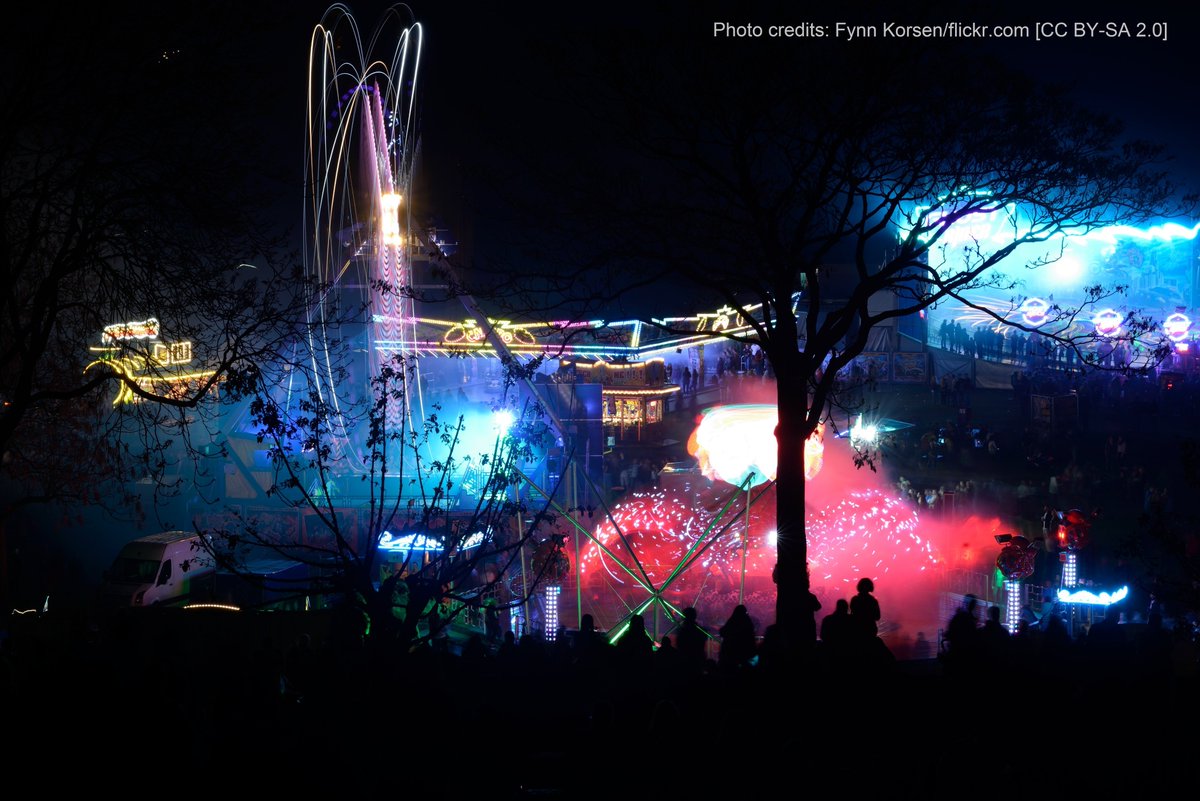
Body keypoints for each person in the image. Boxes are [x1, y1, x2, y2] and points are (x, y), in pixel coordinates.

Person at [718, 604, 757, 671]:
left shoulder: (732, 621)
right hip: (744, 652)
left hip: (730, 652)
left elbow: (723, 632)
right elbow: (751, 637)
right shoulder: (747, 622)